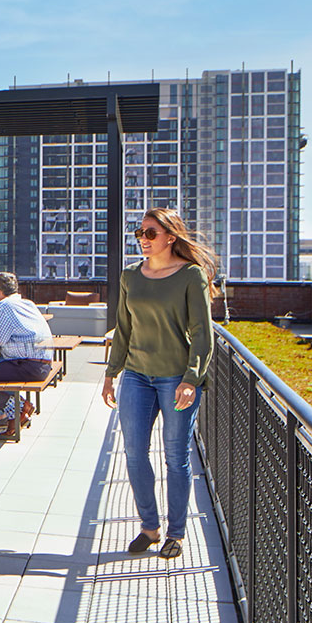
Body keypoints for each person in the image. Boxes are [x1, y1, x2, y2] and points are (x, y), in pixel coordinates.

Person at [102, 207, 215, 560]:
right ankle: (149, 527)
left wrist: (191, 379)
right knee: (134, 453)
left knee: (175, 457)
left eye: (151, 233)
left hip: (175, 378)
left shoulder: (190, 276)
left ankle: (176, 533)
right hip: (136, 375)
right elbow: (123, 328)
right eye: (140, 233)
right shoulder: (130, 277)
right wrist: (110, 374)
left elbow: (202, 334)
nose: (144, 240)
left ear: (171, 237)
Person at [0, 272, 57, 430]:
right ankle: (5, 414)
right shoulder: (27, 303)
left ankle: (19, 408)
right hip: (41, 364)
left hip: (27, 365)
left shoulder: (5, 306)